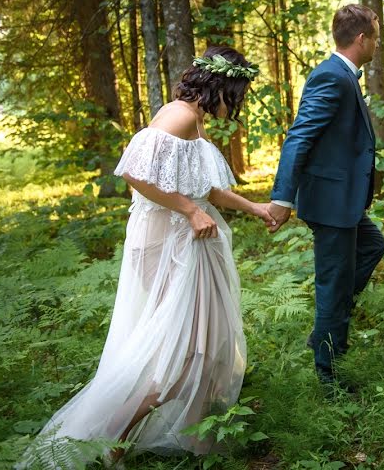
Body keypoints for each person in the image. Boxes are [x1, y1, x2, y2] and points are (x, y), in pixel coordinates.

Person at [21, 46, 269, 468]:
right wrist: (189, 211)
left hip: (188, 244)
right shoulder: (180, 116)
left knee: (211, 347)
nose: (238, 103)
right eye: (237, 92)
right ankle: (114, 437)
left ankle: (198, 441)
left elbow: (206, 189)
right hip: (168, 246)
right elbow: (134, 171)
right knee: (185, 352)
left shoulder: (195, 122)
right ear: (220, 86)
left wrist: (256, 209)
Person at [266, 4, 384, 391]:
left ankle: (326, 326)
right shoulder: (331, 77)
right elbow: (299, 137)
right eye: (377, 35)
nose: (379, 43)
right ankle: (329, 375)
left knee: (372, 245)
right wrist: (282, 199)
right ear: (361, 38)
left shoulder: (344, 76)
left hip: (342, 200)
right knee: (334, 284)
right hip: (332, 202)